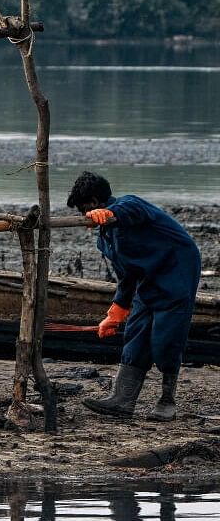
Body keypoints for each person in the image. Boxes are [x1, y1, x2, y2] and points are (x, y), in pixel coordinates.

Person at [67, 171, 201, 420]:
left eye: (84, 209)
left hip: (176, 271)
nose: (83, 216)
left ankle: (167, 401)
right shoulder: (106, 238)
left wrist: (111, 214)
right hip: (148, 280)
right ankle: (122, 400)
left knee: (166, 337)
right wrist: (115, 313)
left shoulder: (129, 205)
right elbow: (126, 276)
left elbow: (131, 210)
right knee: (136, 333)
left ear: (96, 203)